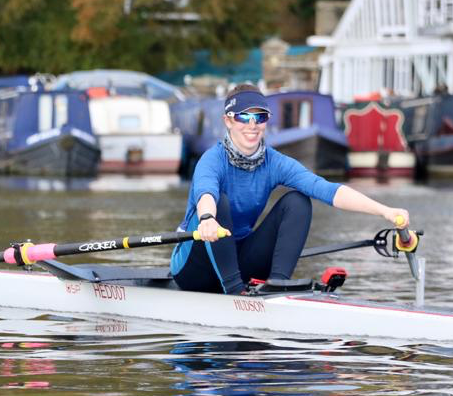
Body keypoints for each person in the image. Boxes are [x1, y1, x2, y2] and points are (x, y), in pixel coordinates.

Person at [171, 84, 410, 295]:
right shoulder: (211, 160)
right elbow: (206, 193)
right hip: (195, 268)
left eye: (260, 117)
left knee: (298, 201)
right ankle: (236, 293)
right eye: (244, 117)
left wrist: (385, 211)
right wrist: (207, 218)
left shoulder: (275, 163)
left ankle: (279, 286)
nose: (253, 125)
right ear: (228, 121)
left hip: (237, 259)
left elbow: (327, 190)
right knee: (219, 201)